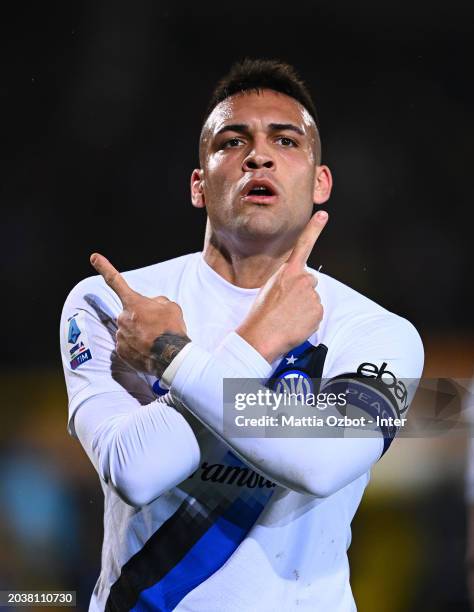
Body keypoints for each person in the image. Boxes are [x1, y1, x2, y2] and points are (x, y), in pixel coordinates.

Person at [60, 58, 424, 611]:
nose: (259, 153)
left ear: (320, 182)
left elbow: (320, 464)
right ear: (198, 185)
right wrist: (258, 343)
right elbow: (134, 470)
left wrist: (173, 358)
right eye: (232, 142)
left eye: (286, 140)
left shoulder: (378, 333)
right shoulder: (113, 301)